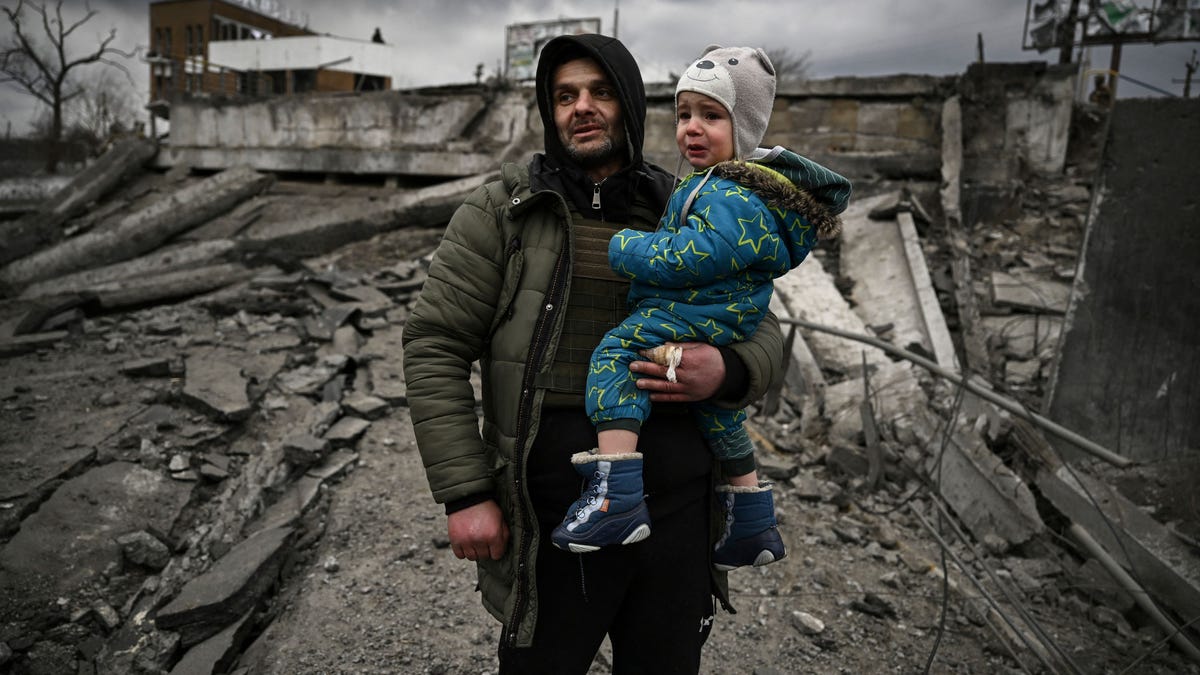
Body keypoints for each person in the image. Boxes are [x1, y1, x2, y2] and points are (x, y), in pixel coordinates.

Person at [401, 34, 786, 673]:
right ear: (549, 113)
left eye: (600, 92)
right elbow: (434, 343)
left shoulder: (682, 204)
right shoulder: (507, 209)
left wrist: (728, 369)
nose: (582, 107)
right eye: (564, 96)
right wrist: (466, 492)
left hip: (678, 511)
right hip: (555, 513)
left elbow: (760, 325)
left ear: (630, 105)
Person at [550, 46, 852, 572]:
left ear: (747, 127)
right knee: (719, 415)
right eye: (684, 113)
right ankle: (753, 520)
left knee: (616, 353)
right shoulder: (721, 185)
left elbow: (698, 256)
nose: (692, 128)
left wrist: (627, 248)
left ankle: (614, 495)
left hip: (696, 308)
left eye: (711, 116)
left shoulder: (728, 193)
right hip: (722, 315)